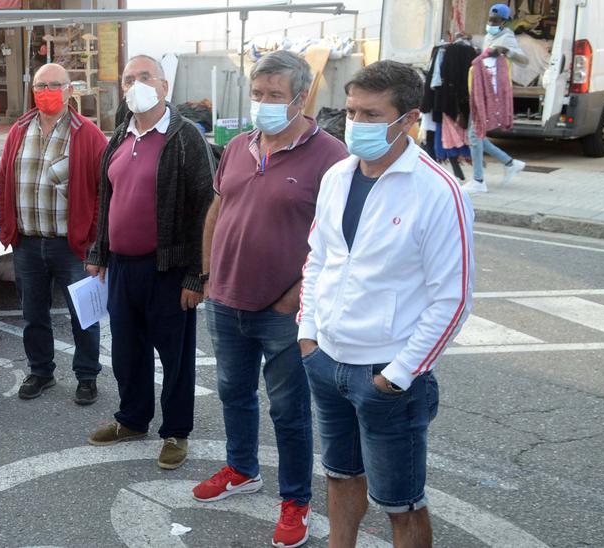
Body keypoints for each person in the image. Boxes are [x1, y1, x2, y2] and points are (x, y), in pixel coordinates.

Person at [299, 60, 474, 548]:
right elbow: (319, 258)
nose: (356, 124)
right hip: (327, 360)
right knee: (337, 476)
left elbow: (453, 299)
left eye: (372, 115)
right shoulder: (337, 175)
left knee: (402, 504)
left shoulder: (439, 193)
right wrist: (308, 337)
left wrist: (396, 375)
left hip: (388, 375)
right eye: (352, 111)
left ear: (409, 119)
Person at [194, 50, 348, 548]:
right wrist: (208, 273)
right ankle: (242, 468)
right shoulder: (239, 145)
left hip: (285, 312)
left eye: (274, 96)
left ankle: (296, 499)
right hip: (226, 298)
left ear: (301, 99)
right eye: (257, 94)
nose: (263, 103)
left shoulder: (331, 156)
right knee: (233, 393)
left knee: (288, 410)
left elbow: (342, 241)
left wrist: (297, 297)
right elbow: (218, 209)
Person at [85, 56, 214, 471]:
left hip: (168, 268)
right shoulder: (120, 135)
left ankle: (176, 431)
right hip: (122, 266)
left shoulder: (184, 138)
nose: (136, 85)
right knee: (127, 350)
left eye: (145, 77)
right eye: (129, 79)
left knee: (175, 356)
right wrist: (98, 253)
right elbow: (108, 200)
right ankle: (132, 419)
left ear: (164, 86)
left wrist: (197, 274)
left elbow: (204, 209)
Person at [0, 63, 107, 405]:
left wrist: (95, 244)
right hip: (28, 243)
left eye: (54, 85)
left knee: (83, 316)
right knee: (33, 314)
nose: (47, 91)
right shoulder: (19, 129)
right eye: (41, 85)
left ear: (69, 90)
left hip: (71, 246)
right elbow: (3, 179)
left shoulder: (88, 134)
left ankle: (87, 376)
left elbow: (104, 192)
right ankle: (40, 371)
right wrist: (7, 228)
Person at [463, 2, 528, 194]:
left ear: (504, 22)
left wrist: (506, 51)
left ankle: (478, 180)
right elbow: (484, 41)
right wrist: (468, 37)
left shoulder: (507, 37)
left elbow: (525, 61)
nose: (491, 22)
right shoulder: (491, 35)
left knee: (475, 134)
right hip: (481, 89)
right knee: (475, 134)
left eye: (495, 20)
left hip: (491, 92)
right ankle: (509, 163)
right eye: (490, 19)